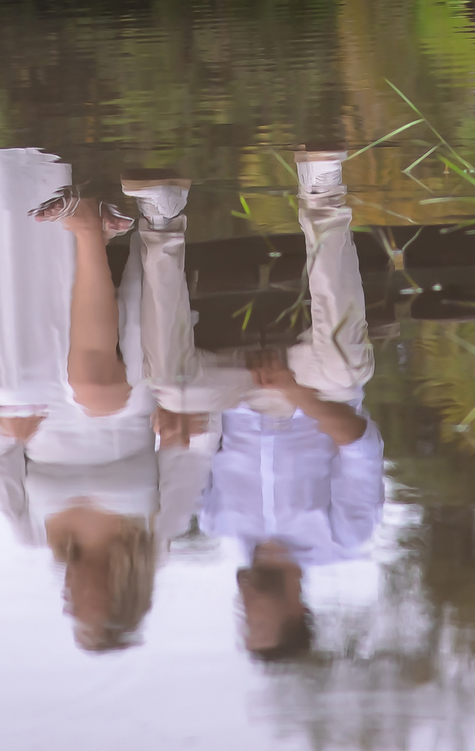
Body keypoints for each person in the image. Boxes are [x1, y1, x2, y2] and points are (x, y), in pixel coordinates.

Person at [0, 122, 214, 652]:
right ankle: (101, 229)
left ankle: (68, 219)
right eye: (82, 611)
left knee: (9, 388)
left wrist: (5, 429)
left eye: (70, 613)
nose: (67, 603)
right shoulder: (157, 536)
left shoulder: (31, 531)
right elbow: (196, 447)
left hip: (41, 405)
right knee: (98, 389)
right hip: (127, 403)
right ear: (118, 597)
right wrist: (184, 427)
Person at [122, 150, 384, 662]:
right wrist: (291, 389)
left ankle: (163, 217)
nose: (243, 609)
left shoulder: (220, 521)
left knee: (171, 389)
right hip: (313, 391)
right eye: (256, 621)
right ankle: (322, 194)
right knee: (350, 369)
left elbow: (201, 442)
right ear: (296, 612)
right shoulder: (345, 536)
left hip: (238, 393)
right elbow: (359, 442)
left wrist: (176, 430)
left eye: (243, 622)